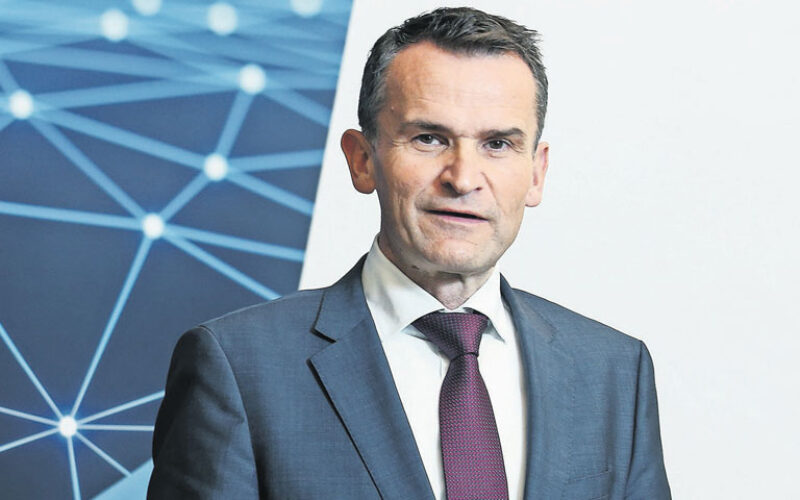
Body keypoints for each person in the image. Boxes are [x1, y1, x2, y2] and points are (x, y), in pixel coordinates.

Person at [147, 7, 670, 500]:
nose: (463, 178)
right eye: (429, 138)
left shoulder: (613, 371)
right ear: (362, 159)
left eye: (498, 144)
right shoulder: (238, 367)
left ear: (536, 172)